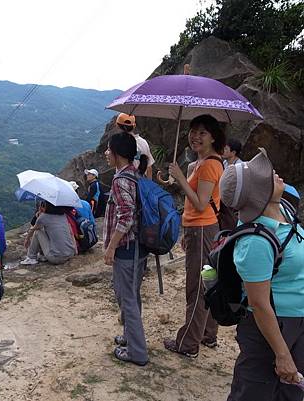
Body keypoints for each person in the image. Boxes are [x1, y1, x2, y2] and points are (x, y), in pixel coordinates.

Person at [220, 149, 304, 400]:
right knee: (253, 393)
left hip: (296, 322)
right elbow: (259, 304)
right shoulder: (254, 241)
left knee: (290, 394)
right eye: (266, 176)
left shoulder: (284, 210)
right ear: (259, 194)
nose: (275, 174)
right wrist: (282, 354)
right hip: (272, 329)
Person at [161, 114, 225, 358]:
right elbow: (194, 195)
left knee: (197, 288)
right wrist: (175, 180)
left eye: (202, 132)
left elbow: (199, 203)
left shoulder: (210, 164)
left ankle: (188, 344)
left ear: (213, 137)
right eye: (193, 131)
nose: (195, 136)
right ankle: (208, 334)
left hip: (202, 229)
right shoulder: (200, 162)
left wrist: (179, 178)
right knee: (207, 281)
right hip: (197, 229)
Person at [102, 132, 150, 366]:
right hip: (137, 248)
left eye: (109, 150)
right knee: (131, 296)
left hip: (128, 249)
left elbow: (126, 217)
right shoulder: (134, 174)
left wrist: (111, 247)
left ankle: (137, 352)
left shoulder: (121, 181)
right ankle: (131, 338)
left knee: (127, 299)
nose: (106, 153)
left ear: (119, 154)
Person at [20, 200, 77, 265]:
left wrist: (27, 239)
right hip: (70, 253)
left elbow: (33, 229)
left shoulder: (44, 217)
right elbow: (71, 232)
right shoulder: (63, 216)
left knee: (38, 232)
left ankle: (31, 257)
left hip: (56, 258)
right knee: (45, 230)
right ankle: (43, 255)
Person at [116, 113, 155, 179]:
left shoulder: (118, 144)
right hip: (141, 183)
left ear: (117, 126)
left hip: (124, 183)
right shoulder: (143, 142)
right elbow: (149, 168)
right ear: (134, 126)